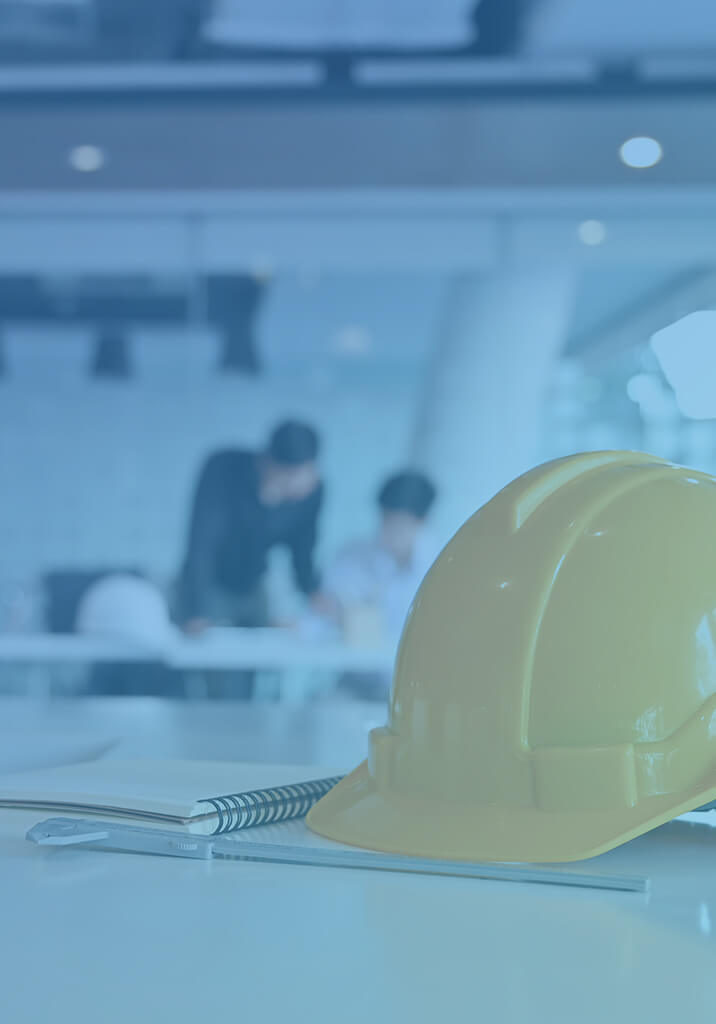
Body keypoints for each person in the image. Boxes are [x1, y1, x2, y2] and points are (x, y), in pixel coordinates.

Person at [176, 420, 323, 634]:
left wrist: (312, 591)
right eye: (290, 476)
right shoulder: (223, 469)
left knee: (260, 653)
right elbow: (201, 544)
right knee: (211, 655)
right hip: (209, 585)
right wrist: (196, 610)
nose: (299, 484)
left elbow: (303, 549)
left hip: (254, 585)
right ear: (267, 463)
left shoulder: (312, 491)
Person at [314, 470, 439, 699]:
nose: (388, 530)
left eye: (399, 523)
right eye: (385, 519)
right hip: (357, 681)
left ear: (422, 522)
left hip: (415, 686)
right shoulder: (353, 556)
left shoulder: (441, 565)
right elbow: (324, 613)